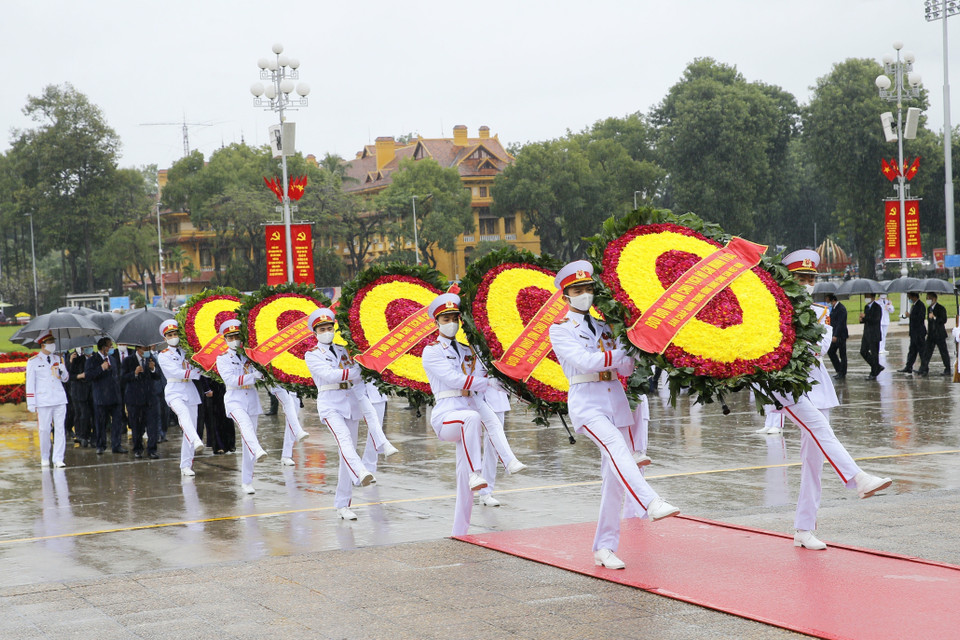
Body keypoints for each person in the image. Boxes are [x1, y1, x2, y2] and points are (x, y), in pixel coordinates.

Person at [549, 261, 678, 570]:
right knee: (618, 449)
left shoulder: (607, 327)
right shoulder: (560, 329)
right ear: (565, 296)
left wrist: (637, 348)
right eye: (577, 291)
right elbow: (584, 361)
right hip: (587, 403)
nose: (584, 295)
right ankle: (649, 501)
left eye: (588, 289)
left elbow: (624, 368)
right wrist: (626, 350)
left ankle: (604, 548)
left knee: (613, 480)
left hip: (614, 400)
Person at [772, 250, 892, 551]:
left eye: (811, 278)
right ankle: (857, 478)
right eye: (801, 278)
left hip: (816, 386)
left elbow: (817, 350)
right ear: (788, 278)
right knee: (822, 431)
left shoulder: (818, 312)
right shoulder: (773, 309)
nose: (807, 283)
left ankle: (804, 527)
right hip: (788, 385)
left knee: (813, 462)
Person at [422, 293, 527, 536]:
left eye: (454, 318)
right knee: (473, 419)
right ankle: (476, 473)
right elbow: (452, 379)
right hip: (448, 413)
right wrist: (485, 382)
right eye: (446, 318)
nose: (451, 323)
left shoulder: (469, 349)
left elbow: (485, 375)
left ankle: (508, 461)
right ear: (436, 322)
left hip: (472, 404)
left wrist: (508, 383)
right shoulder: (432, 351)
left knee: (490, 419)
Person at [305, 308, 378, 519]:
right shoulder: (312, 355)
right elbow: (329, 375)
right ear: (315, 332)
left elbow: (359, 373)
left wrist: (357, 371)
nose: (327, 331)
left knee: (346, 451)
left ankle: (343, 504)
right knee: (344, 440)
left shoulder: (345, 350)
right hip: (330, 405)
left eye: (330, 328)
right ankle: (361, 472)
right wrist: (354, 372)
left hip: (350, 404)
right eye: (322, 329)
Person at [215, 319, 267, 494]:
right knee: (245, 427)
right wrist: (254, 376)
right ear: (225, 339)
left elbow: (262, 373)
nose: (235, 339)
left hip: (251, 398)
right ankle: (258, 448)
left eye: (237, 336)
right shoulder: (222, 358)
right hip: (234, 399)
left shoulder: (249, 355)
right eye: (231, 337)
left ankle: (247, 481)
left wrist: (263, 374)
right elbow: (230, 380)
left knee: (247, 440)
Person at [156, 319, 206, 476]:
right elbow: (176, 372)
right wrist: (195, 373)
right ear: (165, 338)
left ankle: (186, 465)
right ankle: (196, 440)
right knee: (183, 416)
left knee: (190, 426)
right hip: (174, 390)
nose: (173, 337)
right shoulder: (163, 355)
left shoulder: (187, 351)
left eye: (175, 333)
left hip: (190, 390)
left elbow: (198, 367)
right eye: (170, 335)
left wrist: (203, 369)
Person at [26, 331, 69, 468]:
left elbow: (65, 379)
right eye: (50, 342)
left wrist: (63, 371)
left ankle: (58, 458)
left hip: (59, 398)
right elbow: (30, 383)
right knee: (44, 429)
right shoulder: (33, 362)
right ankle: (45, 456)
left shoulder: (58, 358)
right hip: (43, 400)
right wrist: (31, 402)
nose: (53, 345)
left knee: (60, 429)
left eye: (53, 342)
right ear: (43, 344)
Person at [84, 337, 125, 455]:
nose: (111, 348)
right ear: (103, 347)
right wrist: (101, 368)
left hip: (115, 396)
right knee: (101, 423)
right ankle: (101, 445)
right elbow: (88, 375)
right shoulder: (92, 360)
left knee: (117, 422)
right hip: (101, 397)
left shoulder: (112, 358)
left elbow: (117, 375)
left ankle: (116, 445)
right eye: (109, 346)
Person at [477, 377, 512, 507]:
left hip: (495, 394)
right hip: (470, 394)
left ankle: (486, 492)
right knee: (467, 444)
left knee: (493, 446)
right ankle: (468, 485)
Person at [121, 344, 160, 459]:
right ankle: (138, 448)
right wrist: (134, 373)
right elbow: (122, 377)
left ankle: (152, 449)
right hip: (134, 399)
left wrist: (153, 369)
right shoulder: (128, 360)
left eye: (148, 349)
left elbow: (158, 376)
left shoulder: (151, 359)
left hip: (150, 398)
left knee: (152, 425)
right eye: (145, 349)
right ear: (138, 349)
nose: (147, 351)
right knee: (136, 426)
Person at [269, 385, 309, 467]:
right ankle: (298, 431)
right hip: (280, 385)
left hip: (294, 388)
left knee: (292, 420)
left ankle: (286, 455)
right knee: (289, 406)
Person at [917, 292, 951, 377]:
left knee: (943, 352)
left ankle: (947, 369)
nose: (928, 300)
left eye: (929, 298)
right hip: (931, 335)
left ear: (934, 299)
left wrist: (935, 317)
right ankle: (923, 368)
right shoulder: (929, 309)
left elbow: (944, 320)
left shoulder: (940, 308)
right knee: (927, 352)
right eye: (927, 298)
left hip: (939, 334)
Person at [360, 381, 389, 473]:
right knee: (348, 435)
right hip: (352, 393)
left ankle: (369, 467)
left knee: (376, 429)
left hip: (376, 393)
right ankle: (350, 467)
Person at [69, 345, 95, 448]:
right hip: (80, 390)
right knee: (84, 414)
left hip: (93, 390)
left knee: (94, 414)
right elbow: (70, 375)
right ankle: (82, 436)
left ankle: (93, 437)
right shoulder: (77, 359)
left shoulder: (95, 358)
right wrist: (80, 376)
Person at [898, 292, 927, 375]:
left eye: (909, 297)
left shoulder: (920, 305)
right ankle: (908, 366)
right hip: (914, 332)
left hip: (919, 332)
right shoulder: (914, 305)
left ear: (914, 296)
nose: (908, 299)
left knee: (922, 351)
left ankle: (924, 368)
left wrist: (910, 316)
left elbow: (920, 318)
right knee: (912, 351)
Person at [859, 292, 884, 380]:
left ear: (873, 297)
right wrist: (862, 319)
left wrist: (866, 317)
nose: (866, 298)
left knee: (874, 354)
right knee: (863, 351)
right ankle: (877, 366)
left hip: (874, 334)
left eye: (867, 296)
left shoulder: (877, 307)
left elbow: (876, 320)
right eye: (865, 296)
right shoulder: (866, 307)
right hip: (866, 334)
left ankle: (874, 372)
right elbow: (866, 321)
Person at [825, 294, 848, 380]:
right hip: (835, 334)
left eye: (827, 298)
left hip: (840, 335)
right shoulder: (834, 308)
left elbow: (840, 323)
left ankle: (842, 372)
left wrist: (836, 335)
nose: (826, 300)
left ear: (832, 299)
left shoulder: (841, 309)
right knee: (831, 352)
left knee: (842, 354)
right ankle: (839, 369)